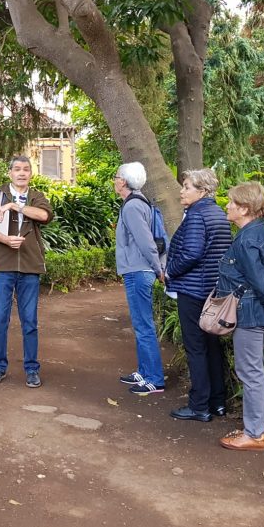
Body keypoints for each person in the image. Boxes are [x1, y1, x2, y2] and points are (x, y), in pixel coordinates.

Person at [213, 182, 264, 451]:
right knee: (254, 369)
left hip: (249, 312)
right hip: (260, 311)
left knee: (248, 371)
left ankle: (255, 434)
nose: (227, 206)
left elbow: (260, 282)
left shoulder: (246, 239)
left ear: (245, 208)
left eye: (232, 202)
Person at [0, 156, 54, 388]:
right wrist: (3, 239)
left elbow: (45, 216)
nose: (22, 173)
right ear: (9, 173)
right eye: (17, 169)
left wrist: (16, 206)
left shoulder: (36, 196)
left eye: (26, 169)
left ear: (31, 173)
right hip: (2, 265)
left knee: (29, 321)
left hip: (30, 266)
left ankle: (32, 369)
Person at [166, 168, 233, 422]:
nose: (181, 191)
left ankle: (199, 406)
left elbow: (192, 253)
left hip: (194, 290)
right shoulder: (217, 212)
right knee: (211, 346)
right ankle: (217, 402)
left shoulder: (196, 215)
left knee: (196, 348)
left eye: (186, 187)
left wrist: (170, 270)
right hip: (212, 289)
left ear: (202, 191)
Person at [113, 161, 166, 396]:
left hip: (138, 270)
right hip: (138, 269)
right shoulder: (138, 202)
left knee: (144, 325)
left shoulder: (133, 206)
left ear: (123, 181)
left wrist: (158, 268)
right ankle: (144, 371)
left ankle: (154, 378)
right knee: (140, 324)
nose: (114, 181)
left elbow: (145, 241)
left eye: (116, 177)